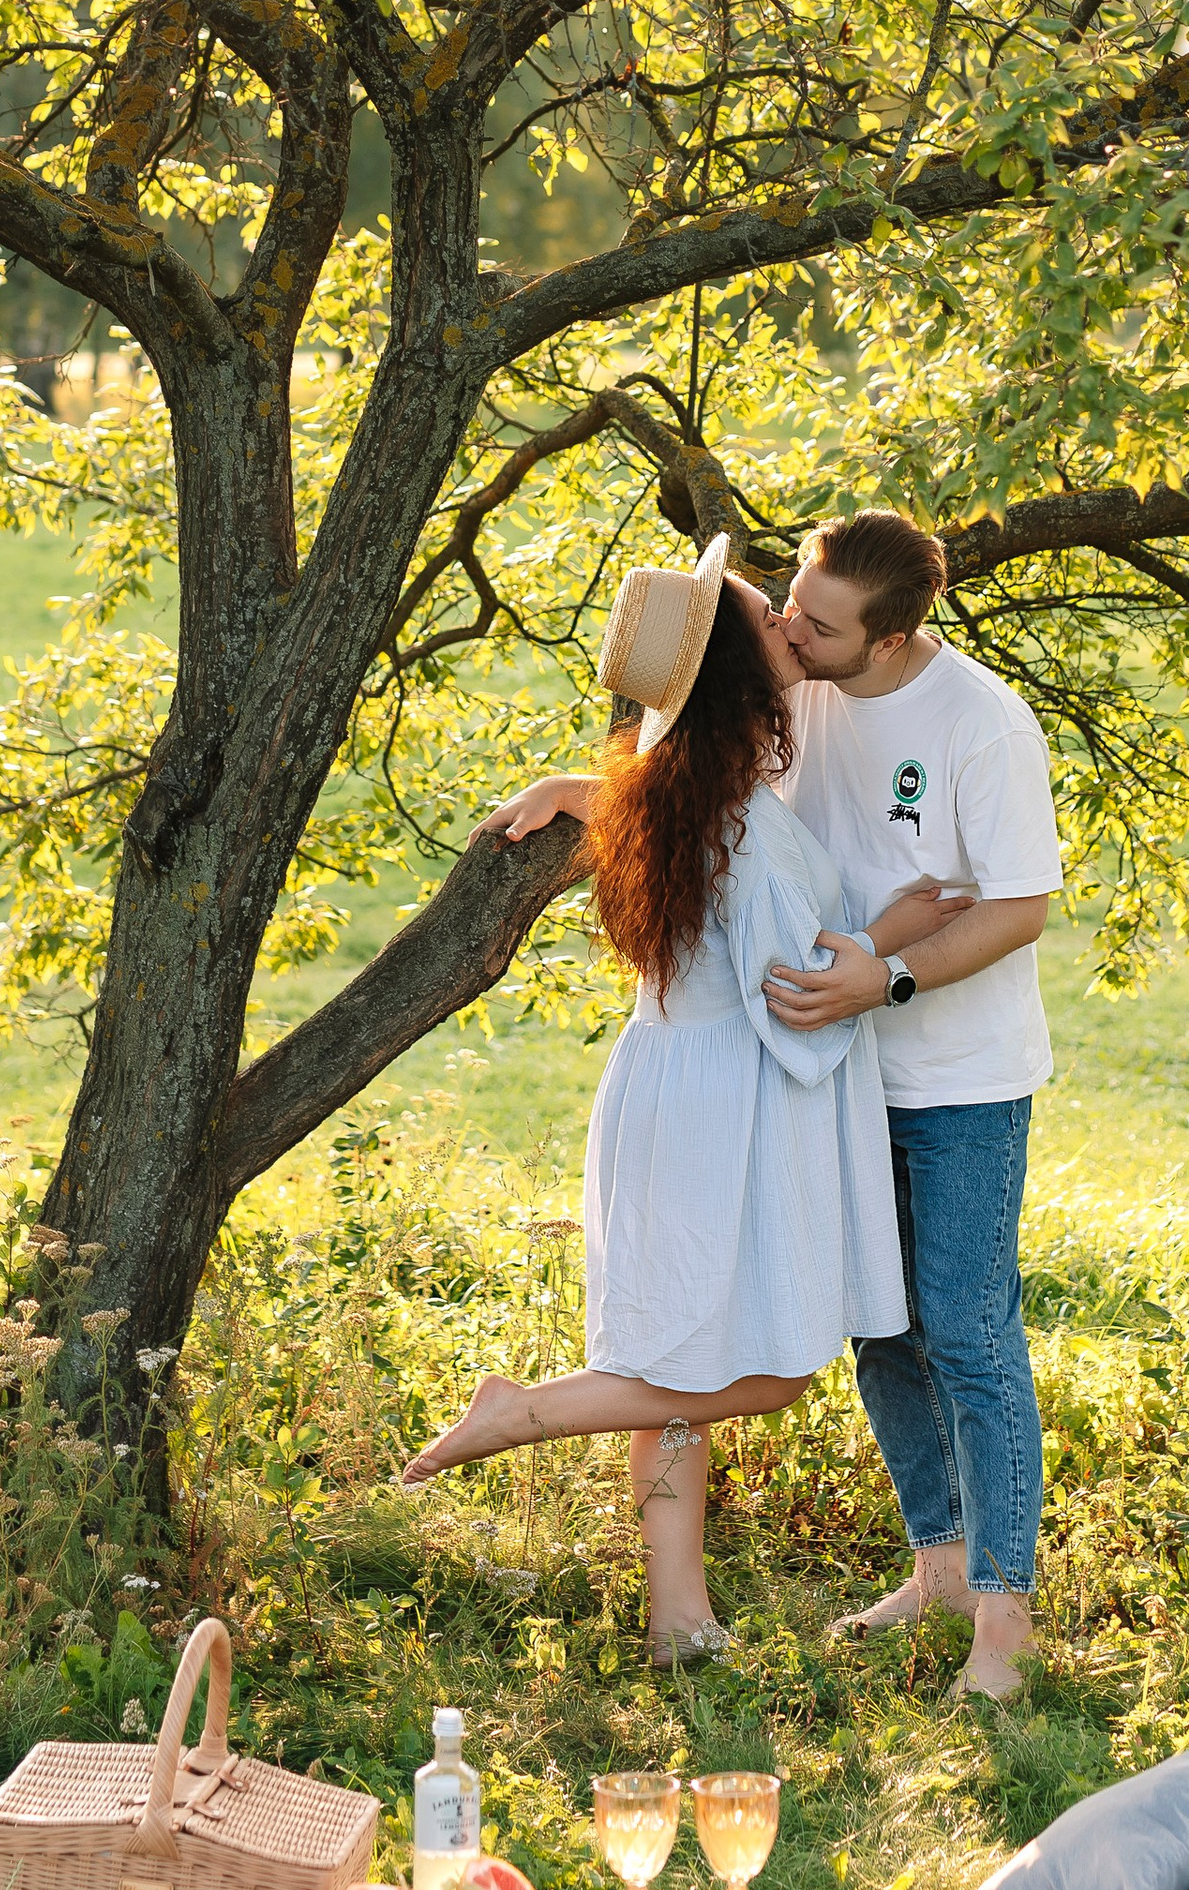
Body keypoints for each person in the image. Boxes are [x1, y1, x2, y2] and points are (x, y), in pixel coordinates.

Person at [484, 511, 1065, 1706]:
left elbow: (1015, 908)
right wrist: (586, 787)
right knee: (882, 1336)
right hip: (834, 1081)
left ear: (893, 634)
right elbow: (703, 778)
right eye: (787, 606)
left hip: (951, 1074)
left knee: (965, 1330)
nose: (794, 629)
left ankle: (1003, 1620)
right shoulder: (794, 689)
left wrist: (885, 969)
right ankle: (940, 1567)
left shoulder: (979, 724)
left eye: (819, 622)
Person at [399, 533, 938, 1671]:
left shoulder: (682, 791)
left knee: (671, 1362)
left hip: (668, 1092)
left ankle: (677, 1615)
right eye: (761, 610)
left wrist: (572, 788)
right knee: (764, 1371)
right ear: (739, 674)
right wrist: (896, 942)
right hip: (720, 1108)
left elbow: (685, 827)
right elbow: (799, 999)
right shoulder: (741, 829)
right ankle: (521, 1410)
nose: (783, 617)